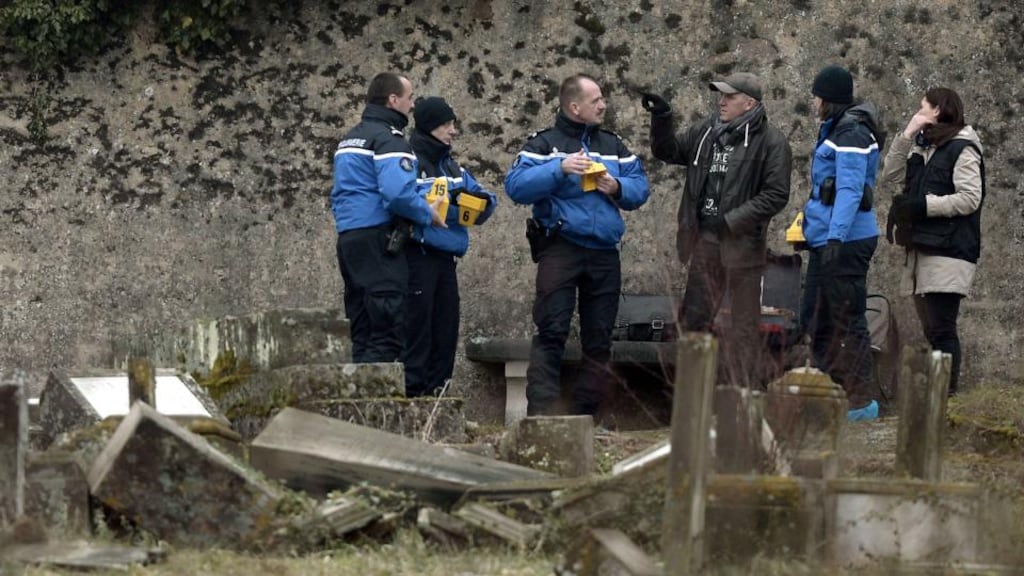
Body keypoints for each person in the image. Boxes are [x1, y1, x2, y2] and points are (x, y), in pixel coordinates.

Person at [504, 74, 650, 417]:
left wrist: (617, 188)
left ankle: (586, 417)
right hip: (561, 248)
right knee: (551, 331)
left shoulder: (614, 145)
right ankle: (541, 416)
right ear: (574, 106)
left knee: (599, 340)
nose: (603, 104)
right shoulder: (544, 145)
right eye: (596, 99)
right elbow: (515, 187)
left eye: (602, 99)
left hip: (603, 253)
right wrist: (560, 168)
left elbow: (640, 187)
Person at [642, 72, 792, 388]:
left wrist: (732, 221)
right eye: (720, 96)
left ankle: (742, 397)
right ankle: (689, 398)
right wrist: (662, 118)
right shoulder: (705, 130)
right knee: (694, 323)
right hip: (704, 243)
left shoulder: (773, 142)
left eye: (729, 97)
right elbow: (668, 151)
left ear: (749, 103)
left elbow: (776, 194)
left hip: (744, 248)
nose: (721, 102)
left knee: (744, 328)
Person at [331, 72, 445, 363]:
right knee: (387, 329)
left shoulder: (351, 137)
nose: (412, 104)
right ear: (393, 100)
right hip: (379, 240)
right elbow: (397, 193)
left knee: (363, 329)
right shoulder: (389, 139)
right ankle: (377, 404)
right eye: (409, 97)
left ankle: (357, 402)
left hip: (350, 239)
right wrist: (427, 213)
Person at [879, 87, 984, 397]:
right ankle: (939, 400)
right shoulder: (923, 146)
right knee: (931, 329)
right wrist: (907, 134)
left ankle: (946, 399)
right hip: (922, 248)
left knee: (942, 328)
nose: (917, 110)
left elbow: (969, 198)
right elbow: (891, 175)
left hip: (949, 250)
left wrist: (924, 205)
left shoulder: (962, 148)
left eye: (922, 106)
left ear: (937, 110)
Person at [800, 65, 886, 421]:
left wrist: (834, 237)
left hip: (846, 242)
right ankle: (825, 392)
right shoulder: (835, 129)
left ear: (829, 98)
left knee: (847, 320)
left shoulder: (851, 133)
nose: (814, 102)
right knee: (815, 316)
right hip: (828, 240)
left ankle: (861, 402)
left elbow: (850, 190)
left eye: (817, 96)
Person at [402, 97, 498, 397]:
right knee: (418, 331)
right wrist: (458, 206)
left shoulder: (451, 165)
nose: (453, 131)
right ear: (430, 126)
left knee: (446, 331)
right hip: (417, 256)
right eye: (447, 124)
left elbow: (486, 202)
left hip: (446, 259)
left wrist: (456, 205)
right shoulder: (410, 159)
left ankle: (438, 398)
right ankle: (415, 399)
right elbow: (420, 203)